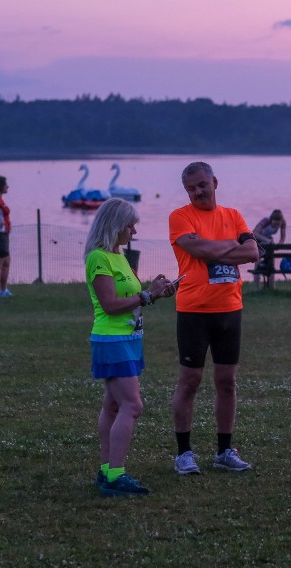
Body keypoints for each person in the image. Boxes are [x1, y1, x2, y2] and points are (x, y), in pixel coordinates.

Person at [169, 161, 260, 475]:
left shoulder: (233, 215)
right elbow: (199, 250)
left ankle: (224, 451)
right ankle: (183, 453)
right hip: (194, 312)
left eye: (202, 185)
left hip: (230, 311)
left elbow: (252, 253)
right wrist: (229, 246)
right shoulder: (180, 216)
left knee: (227, 382)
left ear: (215, 182)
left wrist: (214, 248)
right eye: (191, 188)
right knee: (190, 382)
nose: (197, 192)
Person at [84, 198, 176, 496]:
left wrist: (156, 291)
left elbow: (133, 296)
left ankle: (107, 470)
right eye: (129, 225)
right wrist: (147, 295)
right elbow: (110, 305)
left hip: (129, 339)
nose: (134, 230)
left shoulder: (120, 256)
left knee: (112, 405)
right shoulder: (99, 258)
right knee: (132, 406)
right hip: (112, 340)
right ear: (115, 225)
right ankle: (115, 475)